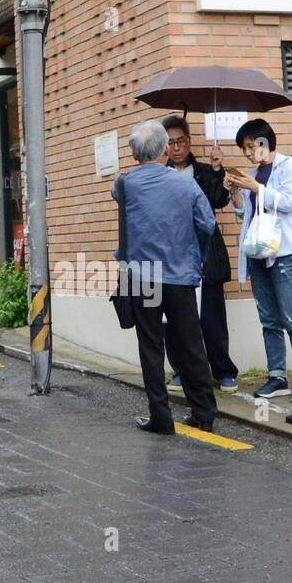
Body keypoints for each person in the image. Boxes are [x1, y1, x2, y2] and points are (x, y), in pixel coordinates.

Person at [113, 120, 218, 434]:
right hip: (180, 276)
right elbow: (208, 224)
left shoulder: (125, 184)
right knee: (191, 345)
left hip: (143, 278)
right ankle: (204, 413)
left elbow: (120, 198)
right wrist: (196, 255)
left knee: (151, 346)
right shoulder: (185, 183)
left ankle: (161, 416)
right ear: (164, 149)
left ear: (134, 155)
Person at [227, 119, 292, 406]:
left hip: (285, 253)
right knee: (269, 320)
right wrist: (237, 191)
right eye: (245, 149)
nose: (249, 153)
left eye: (251, 146)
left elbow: (288, 203)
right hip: (257, 253)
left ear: (264, 142)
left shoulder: (289, 167)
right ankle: (277, 377)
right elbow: (245, 214)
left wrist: (256, 187)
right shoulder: (254, 173)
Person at [161, 116, 238, 394]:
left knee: (212, 317)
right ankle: (182, 371)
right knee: (176, 318)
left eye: (181, 140)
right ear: (164, 146)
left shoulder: (204, 171)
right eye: (170, 142)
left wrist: (218, 170)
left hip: (206, 255)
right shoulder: (161, 175)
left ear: (189, 142)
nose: (177, 147)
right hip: (174, 257)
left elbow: (218, 200)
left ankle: (224, 370)